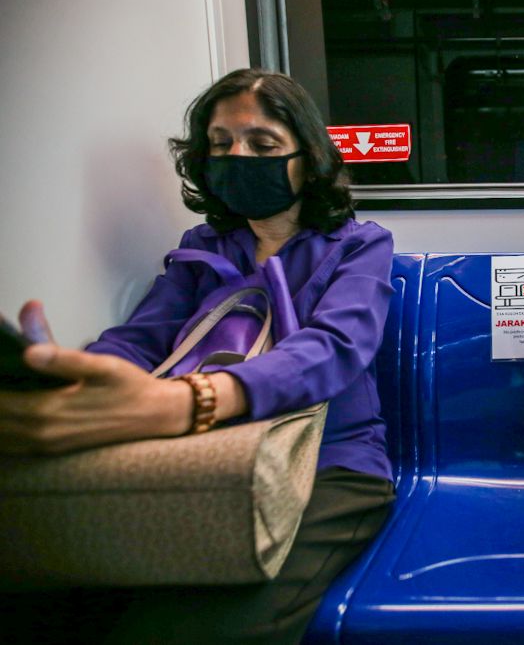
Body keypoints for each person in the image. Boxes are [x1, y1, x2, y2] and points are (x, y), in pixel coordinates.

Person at [0, 69, 395, 644]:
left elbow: (335, 348)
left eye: (262, 145)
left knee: (199, 626)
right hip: (207, 453)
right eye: (220, 144)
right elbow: (141, 338)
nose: (238, 156)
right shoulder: (202, 249)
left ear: (307, 160)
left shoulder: (358, 246)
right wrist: (74, 379)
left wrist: (192, 401)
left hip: (330, 464)